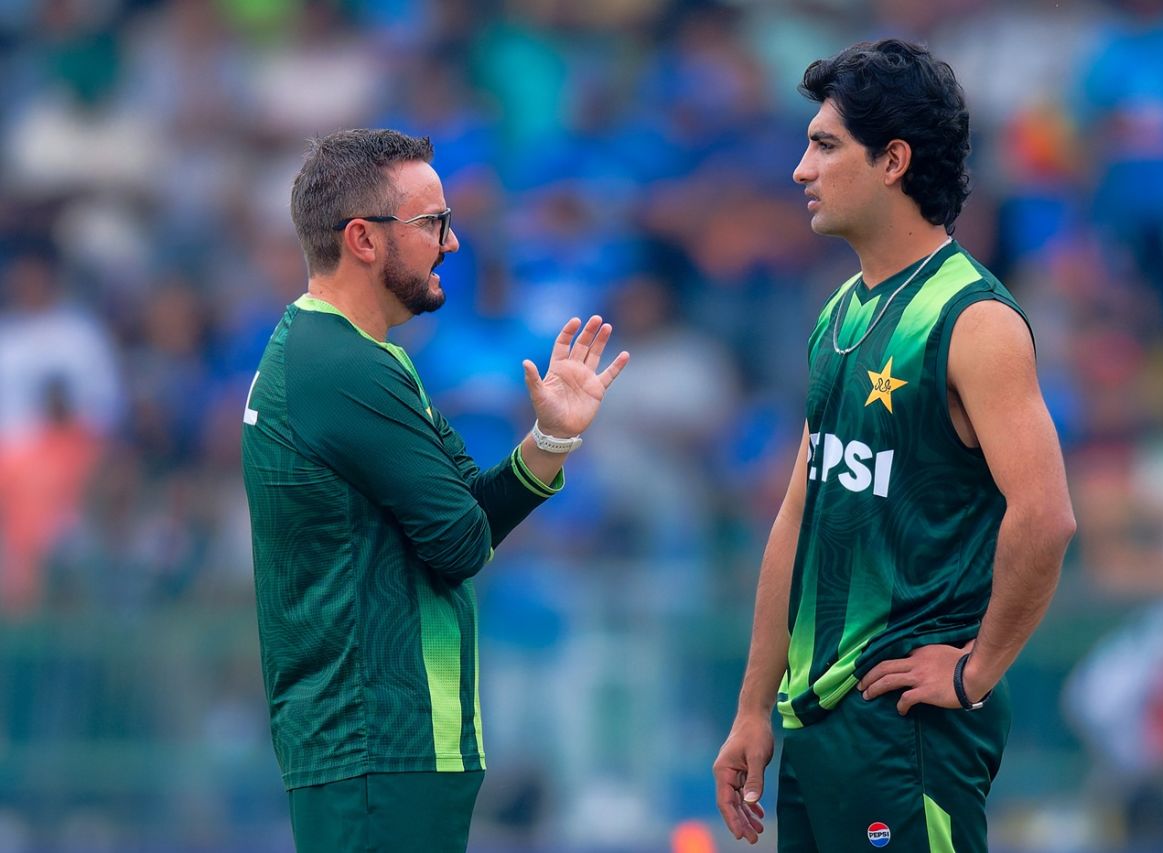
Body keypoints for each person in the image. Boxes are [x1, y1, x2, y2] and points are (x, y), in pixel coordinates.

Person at [712, 40, 1076, 852]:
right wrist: (752, 707)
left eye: (825, 145)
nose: (801, 169)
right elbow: (799, 515)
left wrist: (976, 670)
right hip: (815, 721)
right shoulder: (839, 310)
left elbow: (1047, 516)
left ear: (893, 161)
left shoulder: (975, 321)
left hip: (907, 728)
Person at [241, 129, 628, 853]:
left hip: (380, 746)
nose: (451, 243)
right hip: (378, 741)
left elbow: (467, 510)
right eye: (433, 223)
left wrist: (550, 439)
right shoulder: (344, 368)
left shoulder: (352, 355)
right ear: (362, 238)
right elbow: (461, 543)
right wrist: (476, 516)